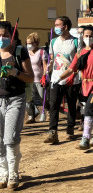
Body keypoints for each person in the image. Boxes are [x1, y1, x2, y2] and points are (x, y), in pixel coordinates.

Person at [57, 25, 93, 150]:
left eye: (91, 36)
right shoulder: (80, 53)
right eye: (86, 36)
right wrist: (59, 79)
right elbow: (71, 69)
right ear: (83, 37)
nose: (89, 38)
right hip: (86, 85)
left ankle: (85, 138)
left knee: (88, 109)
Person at [0, 21, 34, 189]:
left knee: (11, 138)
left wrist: (15, 72)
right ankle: (3, 172)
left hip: (15, 99)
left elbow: (30, 78)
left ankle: (13, 172)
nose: (1, 39)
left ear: (12, 37)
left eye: (5, 36)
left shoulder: (20, 52)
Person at [44, 16, 81, 144]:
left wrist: (74, 74)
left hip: (72, 80)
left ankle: (70, 129)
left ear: (65, 27)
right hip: (55, 79)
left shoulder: (76, 42)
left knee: (71, 105)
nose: (55, 27)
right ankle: (52, 132)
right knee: (54, 104)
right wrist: (47, 70)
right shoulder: (53, 42)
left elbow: (78, 62)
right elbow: (52, 58)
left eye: (57, 24)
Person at [26, 32, 49, 123]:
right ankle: (31, 115)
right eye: (27, 43)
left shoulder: (42, 52)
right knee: (29, 98)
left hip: (39, 79)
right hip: (30, 79)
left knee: (43, 97)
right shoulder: (26, 53)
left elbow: (45, 66)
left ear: (36, 43)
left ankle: (48, 113)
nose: (28, 45)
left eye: (30, 43)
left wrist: (44, 76)